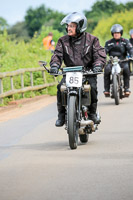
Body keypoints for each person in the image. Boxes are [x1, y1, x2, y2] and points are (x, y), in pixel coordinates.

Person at [49, 12, 106, 127]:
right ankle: (61, 115)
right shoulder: (62, 41)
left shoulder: (92, 40)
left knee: (92, 87)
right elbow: (57, 55)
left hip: (88, 71)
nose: (69, 28)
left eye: (72, 26)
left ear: (80, 27)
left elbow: (99, 54)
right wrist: (55, 65)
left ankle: (92, 113)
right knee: (61, 88)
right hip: (70, 72)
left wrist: (98, 65)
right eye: (68, 26)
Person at [104, 24, 133, 96]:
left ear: (121, 33)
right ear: (112, 34)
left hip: (122, 61)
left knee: (127, 69)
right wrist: (102, 58)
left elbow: (130, 49)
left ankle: (126, 88)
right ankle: (106, 89)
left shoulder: (125, 41)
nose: (116, 35)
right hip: (112, 61)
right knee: (107, 69)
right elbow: (104, 52)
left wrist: (132, 55)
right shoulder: (108, 42)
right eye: (115, 33)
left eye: (118, 33)